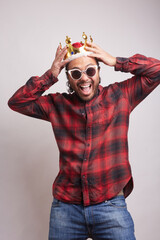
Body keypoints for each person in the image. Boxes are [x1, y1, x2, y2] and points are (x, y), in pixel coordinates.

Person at [8, 34, 160, 240]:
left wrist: (115, 61)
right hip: (66, 209)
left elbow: (156, 70)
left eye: (90, 70)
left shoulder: (121, 96)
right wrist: (51, 75)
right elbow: (17, 102)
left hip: (111, 205)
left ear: (98, 72)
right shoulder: (57, 105)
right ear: (68, 77)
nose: (84, 78)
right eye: (76, 73)